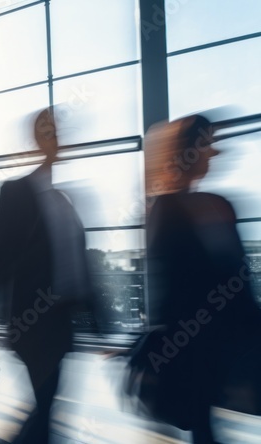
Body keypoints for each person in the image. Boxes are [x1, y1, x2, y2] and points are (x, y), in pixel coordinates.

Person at [142, 114, 261, 443]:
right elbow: (169, 286)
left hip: (229, 338)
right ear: (188, 151)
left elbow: (238, 279)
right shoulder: (168, 211)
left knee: (206, 426)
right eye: (206, 145)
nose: (212, 153)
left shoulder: (221, 205)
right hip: (196, 344)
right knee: (204, 426)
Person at [0, 107, 94, 444]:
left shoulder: (64, 200)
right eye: (47, 131)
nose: (55, 138)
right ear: (35, 138)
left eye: (58, 131)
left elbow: (76, 261)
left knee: (47, 403)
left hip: (61, 320)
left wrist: (93, 310)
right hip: (32, 320)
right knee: (46, 401)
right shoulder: (16, 192)